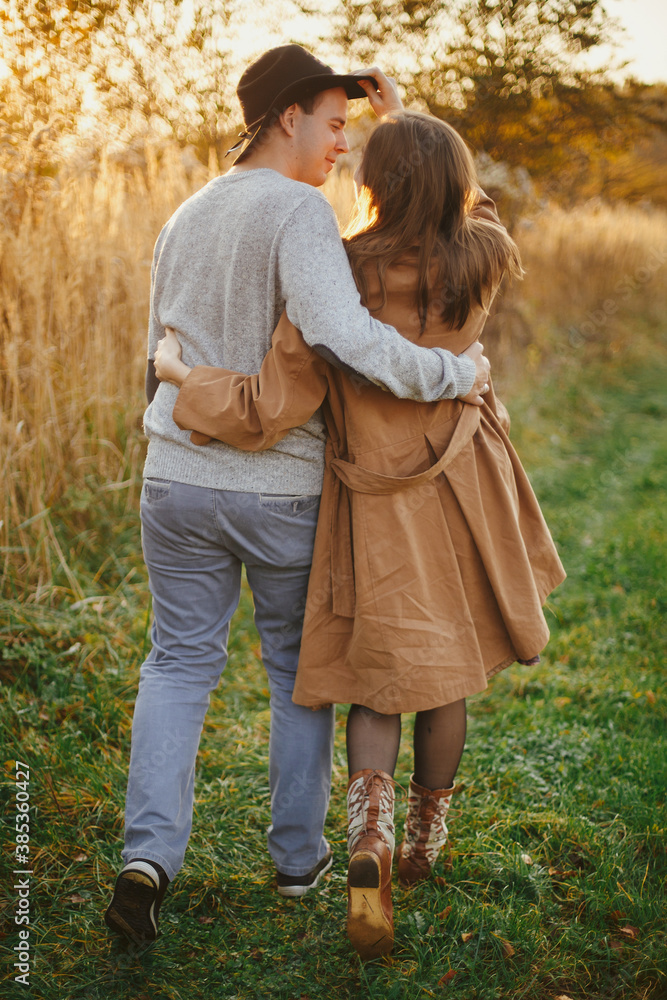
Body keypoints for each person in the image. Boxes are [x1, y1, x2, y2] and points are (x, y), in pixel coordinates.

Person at [104, 45, 492, 947]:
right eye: (333, 123)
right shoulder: (299, 213)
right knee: (296, 679)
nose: (342, 147)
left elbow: (158, 352)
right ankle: (294, 860)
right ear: (287, 118)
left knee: (174, 666)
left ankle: (147, 859)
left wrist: (168, 427)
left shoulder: (184, 212)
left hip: (175, 478)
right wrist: (450, 373)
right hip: (277, 489)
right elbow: (341, 333)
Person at [154, 110, 566, 960]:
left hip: (369, 493)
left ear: (370, 183)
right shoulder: (482, 253)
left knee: (380, 666)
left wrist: (179, 380)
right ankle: (424, 835)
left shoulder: (342, 271)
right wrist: (409, 119)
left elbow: (276, 398)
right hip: (460, 477)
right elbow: (474, 204)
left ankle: (368, 835)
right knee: (445, 663)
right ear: (455, 182)